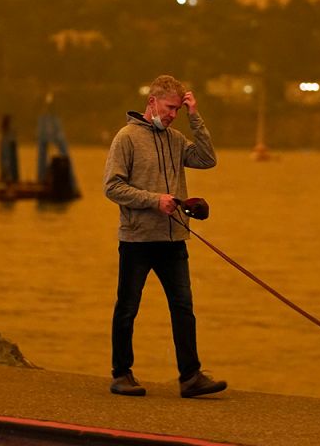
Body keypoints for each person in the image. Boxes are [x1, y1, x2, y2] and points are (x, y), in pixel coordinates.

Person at [103, 75, 227, 398]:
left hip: (174, 239)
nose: (173, 114)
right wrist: (154, 200)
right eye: (170, 108)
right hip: (137, 240)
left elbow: (207, 159)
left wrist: (195, 116)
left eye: (178, 109)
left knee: (183, 306)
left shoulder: (175, 139)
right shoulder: (126, 138)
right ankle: (121, 373)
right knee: (128, 306)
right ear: (152, 102)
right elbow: (112, 187)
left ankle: (190, 376)